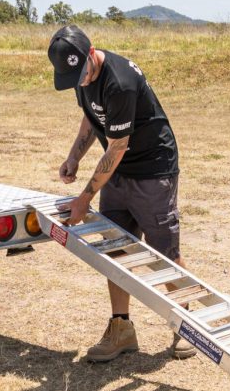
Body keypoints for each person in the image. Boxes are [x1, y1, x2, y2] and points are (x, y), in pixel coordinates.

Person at [48, 24, 195, 362]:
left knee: (164, 253)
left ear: (91, 53)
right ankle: (122, 329)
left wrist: (84, 198)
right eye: (74, 79)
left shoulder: (120, 82)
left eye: (82, 74)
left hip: (152, 171)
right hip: (116, 171)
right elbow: (91, 118)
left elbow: (116, 147)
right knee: (115, 249)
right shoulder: (81, 77)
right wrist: (74, 157)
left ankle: (185, 325)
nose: (81, 82)